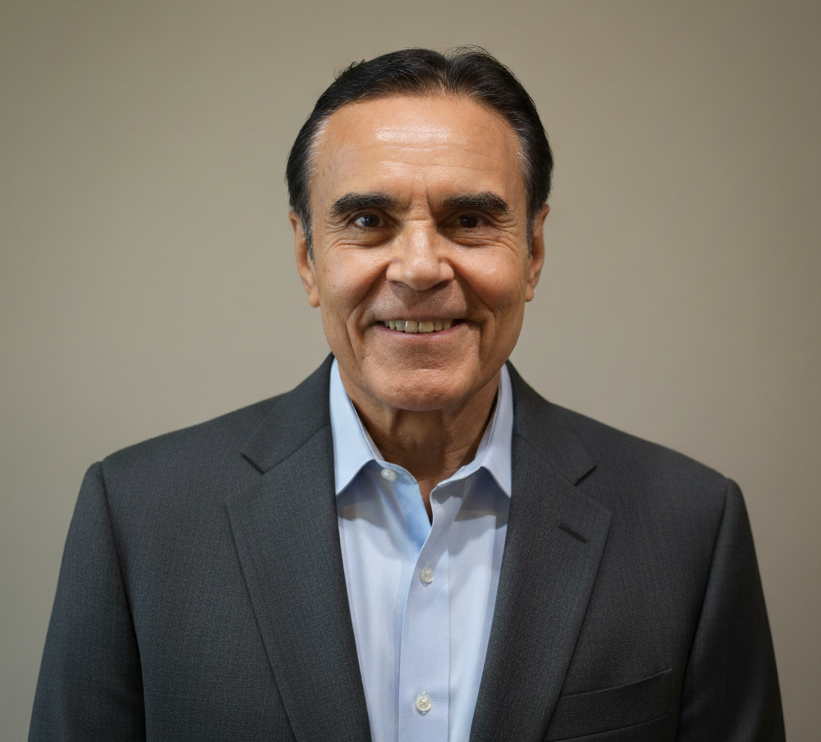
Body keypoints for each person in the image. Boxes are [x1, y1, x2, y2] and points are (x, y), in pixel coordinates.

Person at [30, 48, 784, 742]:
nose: (420, 267)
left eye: (469, 220)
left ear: (535, 252)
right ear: (306, 256)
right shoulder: (135, 518)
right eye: (367, 220)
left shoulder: (689, 528)